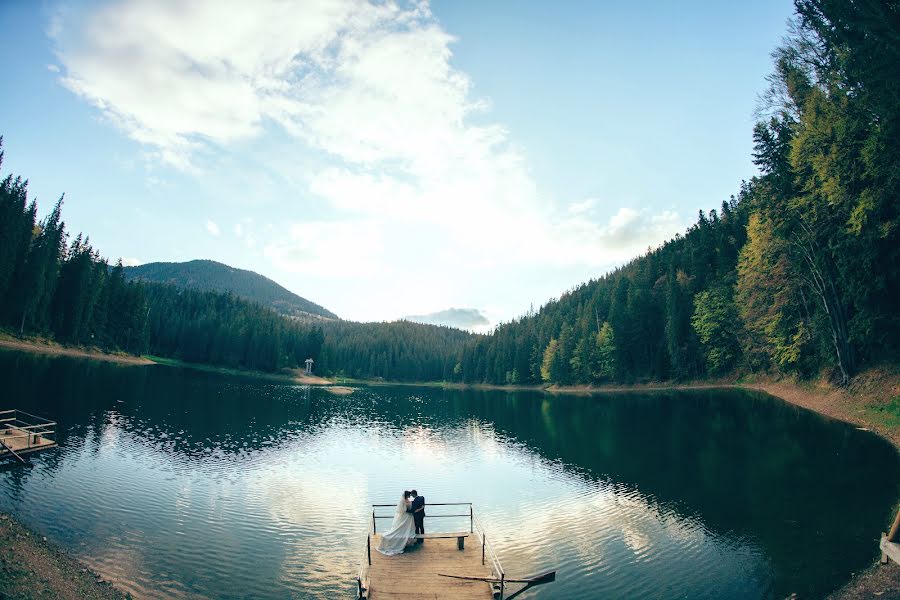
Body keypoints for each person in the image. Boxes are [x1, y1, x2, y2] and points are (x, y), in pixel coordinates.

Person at [376, 491, 416, 555]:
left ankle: (407, 538)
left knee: (406, 527)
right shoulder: (403, 501)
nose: (410, 496)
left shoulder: (406, 500)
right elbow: (402, 510)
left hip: (408, 516)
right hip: (406, 516)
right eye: (409, 495)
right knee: (402, 527)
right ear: (407, 495)